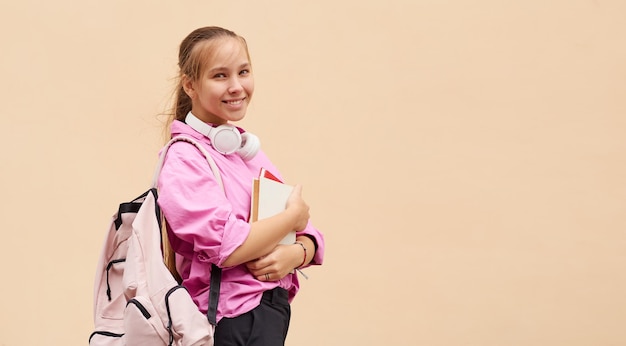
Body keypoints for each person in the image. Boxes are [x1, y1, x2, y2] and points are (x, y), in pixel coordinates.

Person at [157, 26, 325, 346]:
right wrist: (292, 218)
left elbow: (312, 236)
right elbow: (228, 246)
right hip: (230, 321)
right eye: (220, 76)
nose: (237, 86)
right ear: (190, 85)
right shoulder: (184, 160)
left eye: (243, 72)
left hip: (265, 315)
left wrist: (297, 252)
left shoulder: (244, 151)